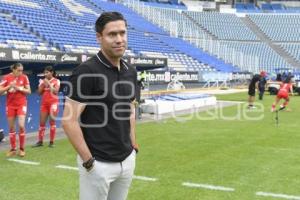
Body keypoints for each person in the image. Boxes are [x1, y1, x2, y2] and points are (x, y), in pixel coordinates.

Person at [62, 12, 138, 200]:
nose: (119, 39)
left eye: (123, 33)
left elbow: (130, 108)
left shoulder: (131, 71)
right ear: (99, 37)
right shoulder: (86, 72)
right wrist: (88, 162)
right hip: (98, 164)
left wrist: (133, 145)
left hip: (127, 160)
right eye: (112, 34)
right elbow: (68, 121)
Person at [0, 63, 31, 157]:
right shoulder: (6, 77)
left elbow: (29, 91)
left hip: (21, 104)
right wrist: (9, 87)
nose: (20, 72)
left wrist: (18, 88)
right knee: (11, 127)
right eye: (18, 70)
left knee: (21, 125)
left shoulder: (24, 77)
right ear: (13, 69)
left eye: (22, 70)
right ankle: (13, 149)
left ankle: (22, 149)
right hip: (10, 105)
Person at [32, 66, 60, 148]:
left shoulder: (56, 81)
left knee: (52, 123)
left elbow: (56, 91)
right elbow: (39, 93)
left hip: (53, 104)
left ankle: (51, 142)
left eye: (47, 72)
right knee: (42, 123)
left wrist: (49, 84)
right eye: (45, 72)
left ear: (51, 72)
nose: (45, 74)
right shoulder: (43, 81)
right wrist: (42, 85)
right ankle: (40, 141)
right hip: (44, 104)